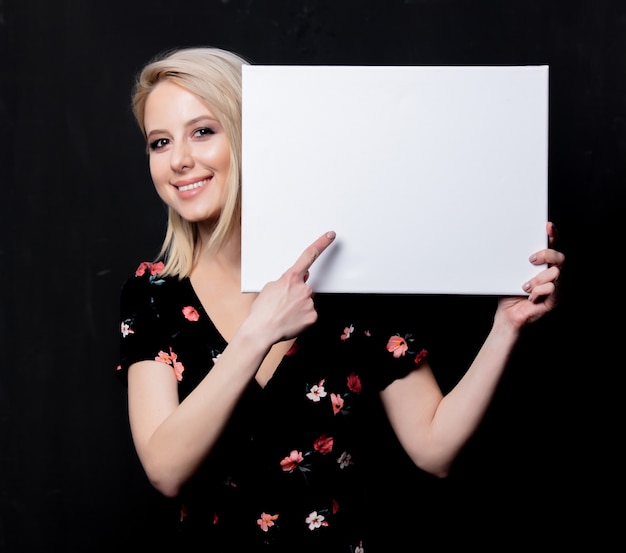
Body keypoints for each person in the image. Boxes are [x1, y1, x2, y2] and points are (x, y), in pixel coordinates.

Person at [117, 46, 565, 552]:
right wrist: (258, 332)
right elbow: (165, 470)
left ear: (253, 135)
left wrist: (505, 326)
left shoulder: (348, 276)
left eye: (203, 131)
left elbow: (434, 448)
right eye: (159, 142)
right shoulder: (151, 294)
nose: (178, 160)